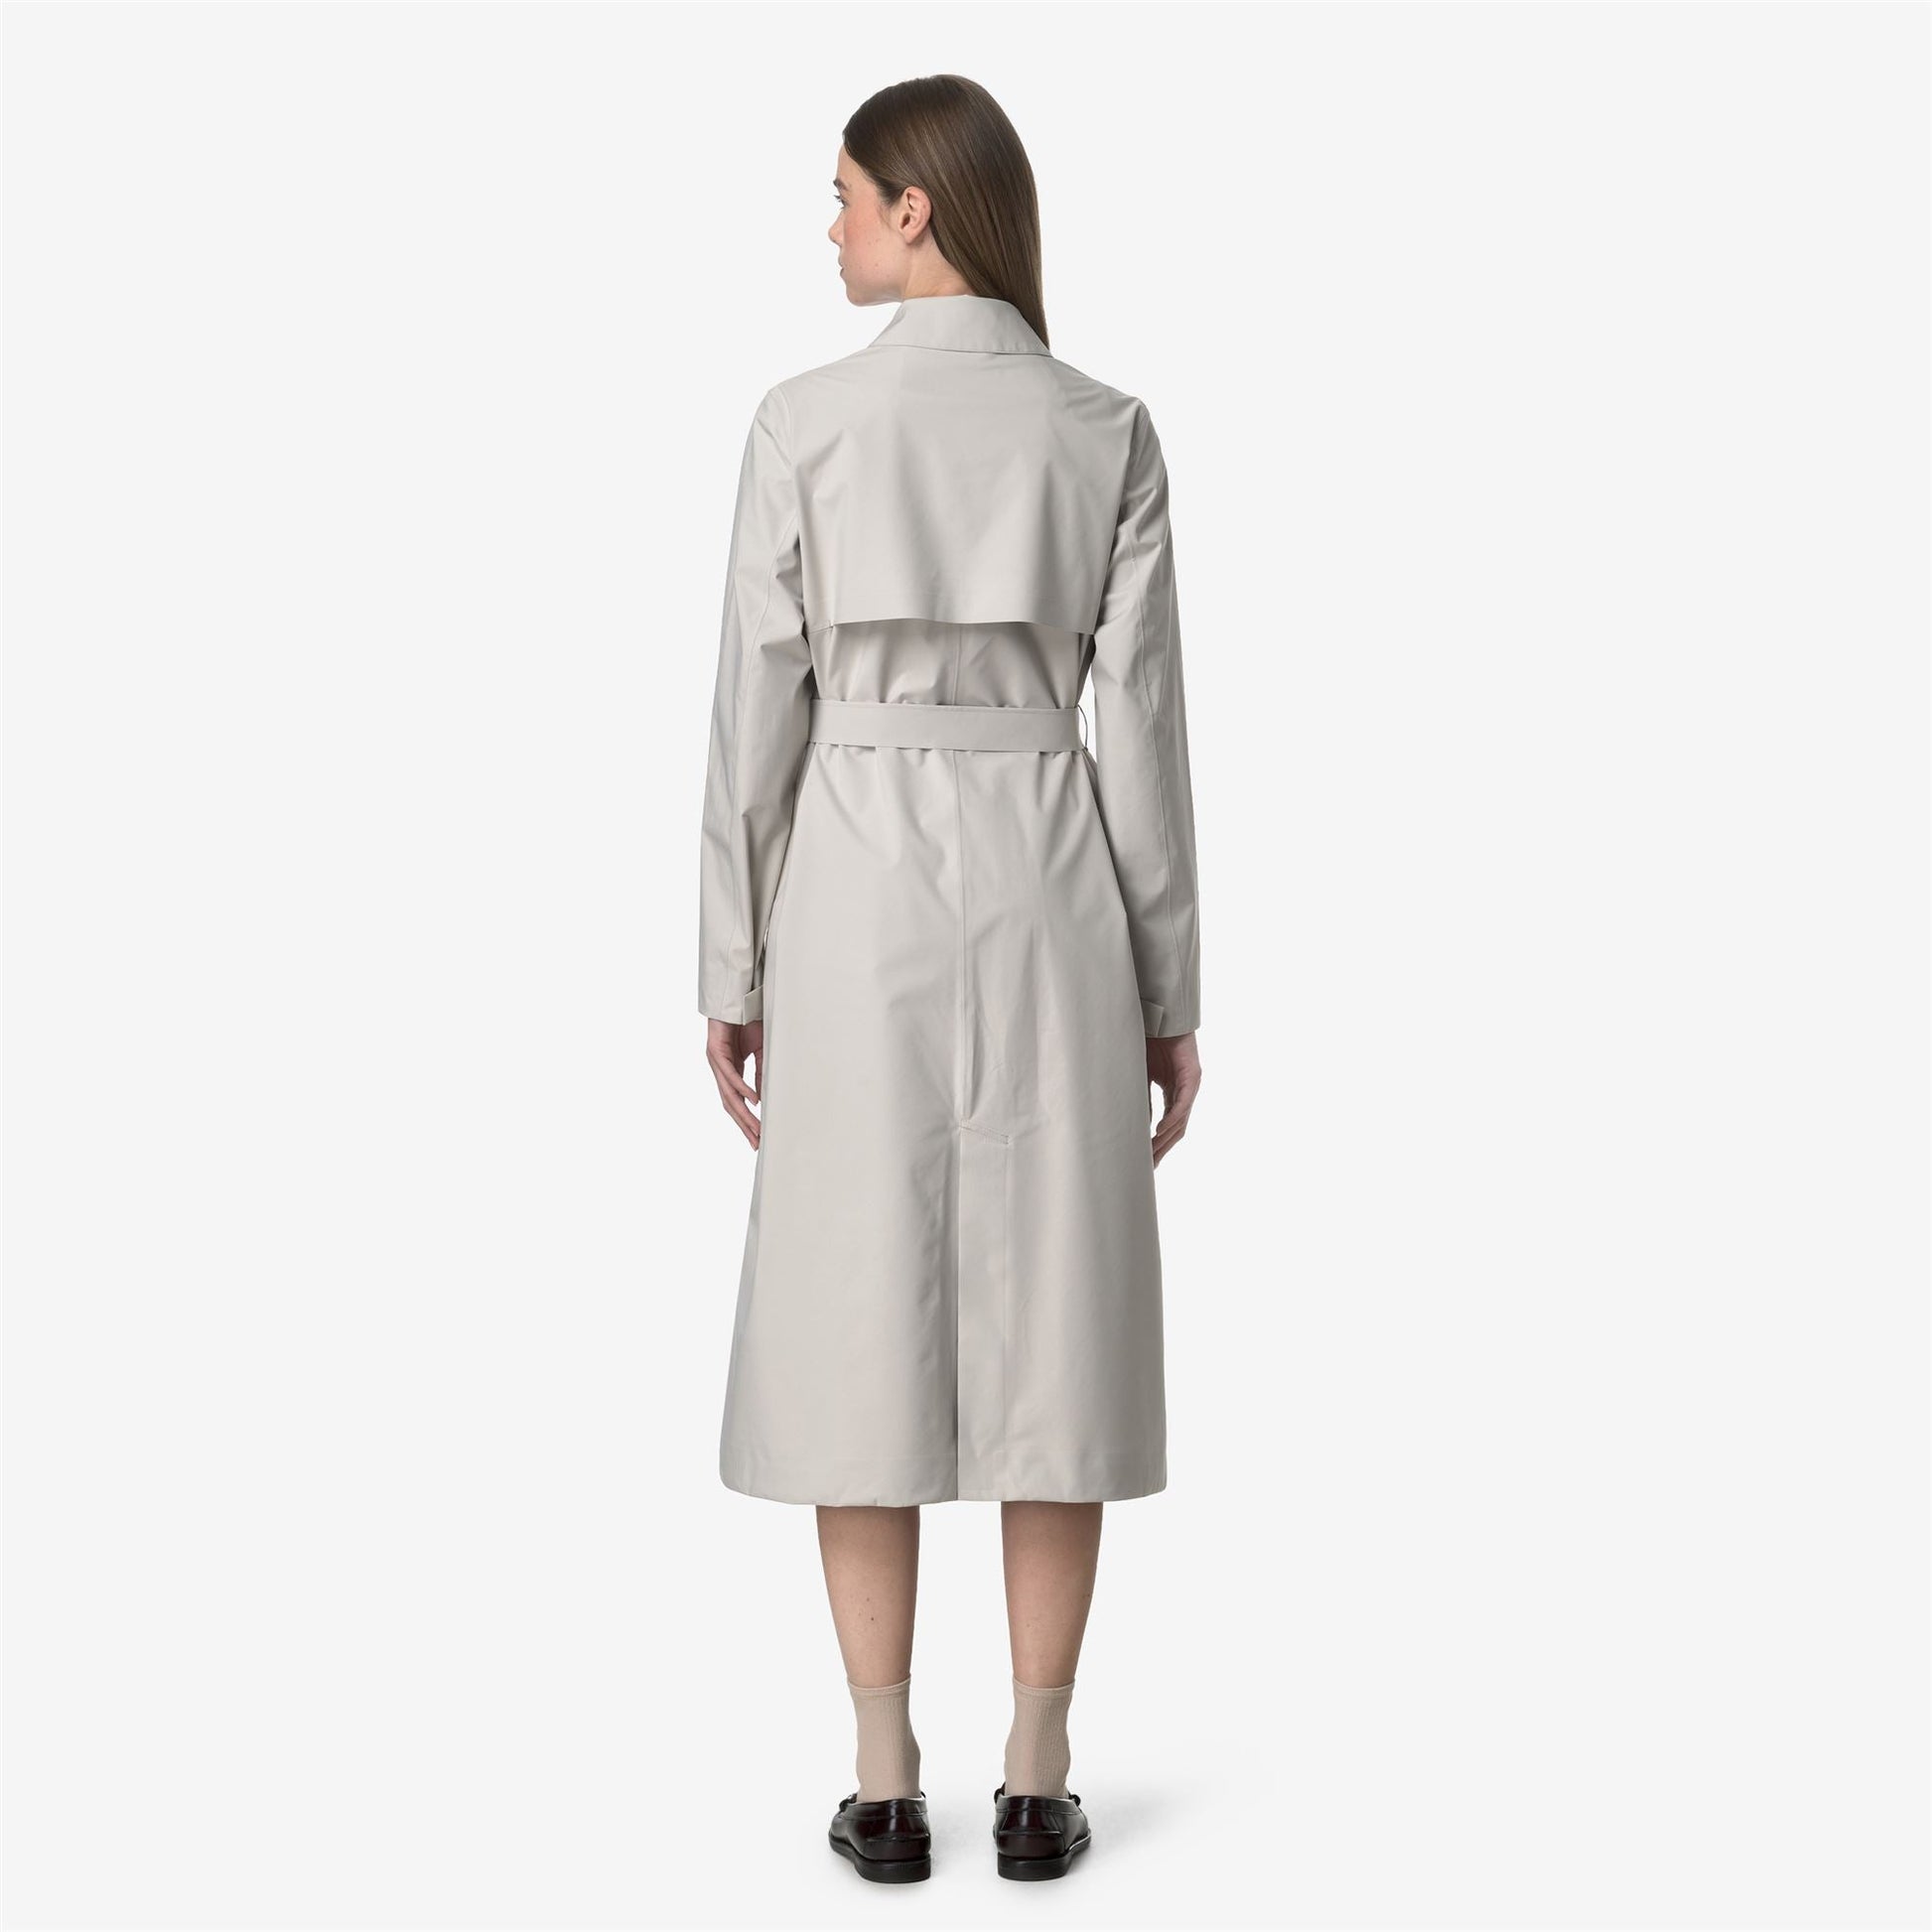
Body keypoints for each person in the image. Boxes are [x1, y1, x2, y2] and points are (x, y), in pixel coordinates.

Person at [696, 73, 1203, 1885]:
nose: (826, 223)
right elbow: (1139, 733)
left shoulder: (802, 424)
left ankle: (883, 1770)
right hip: (1053, 876)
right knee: (1058, 1313)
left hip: (849, 888)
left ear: (918, 208)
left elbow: (756, 720)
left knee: (858, 1312)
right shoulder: (1104, 429)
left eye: (843, 192)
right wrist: (1167, 989)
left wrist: (731, 959)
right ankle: (1041, 1770)